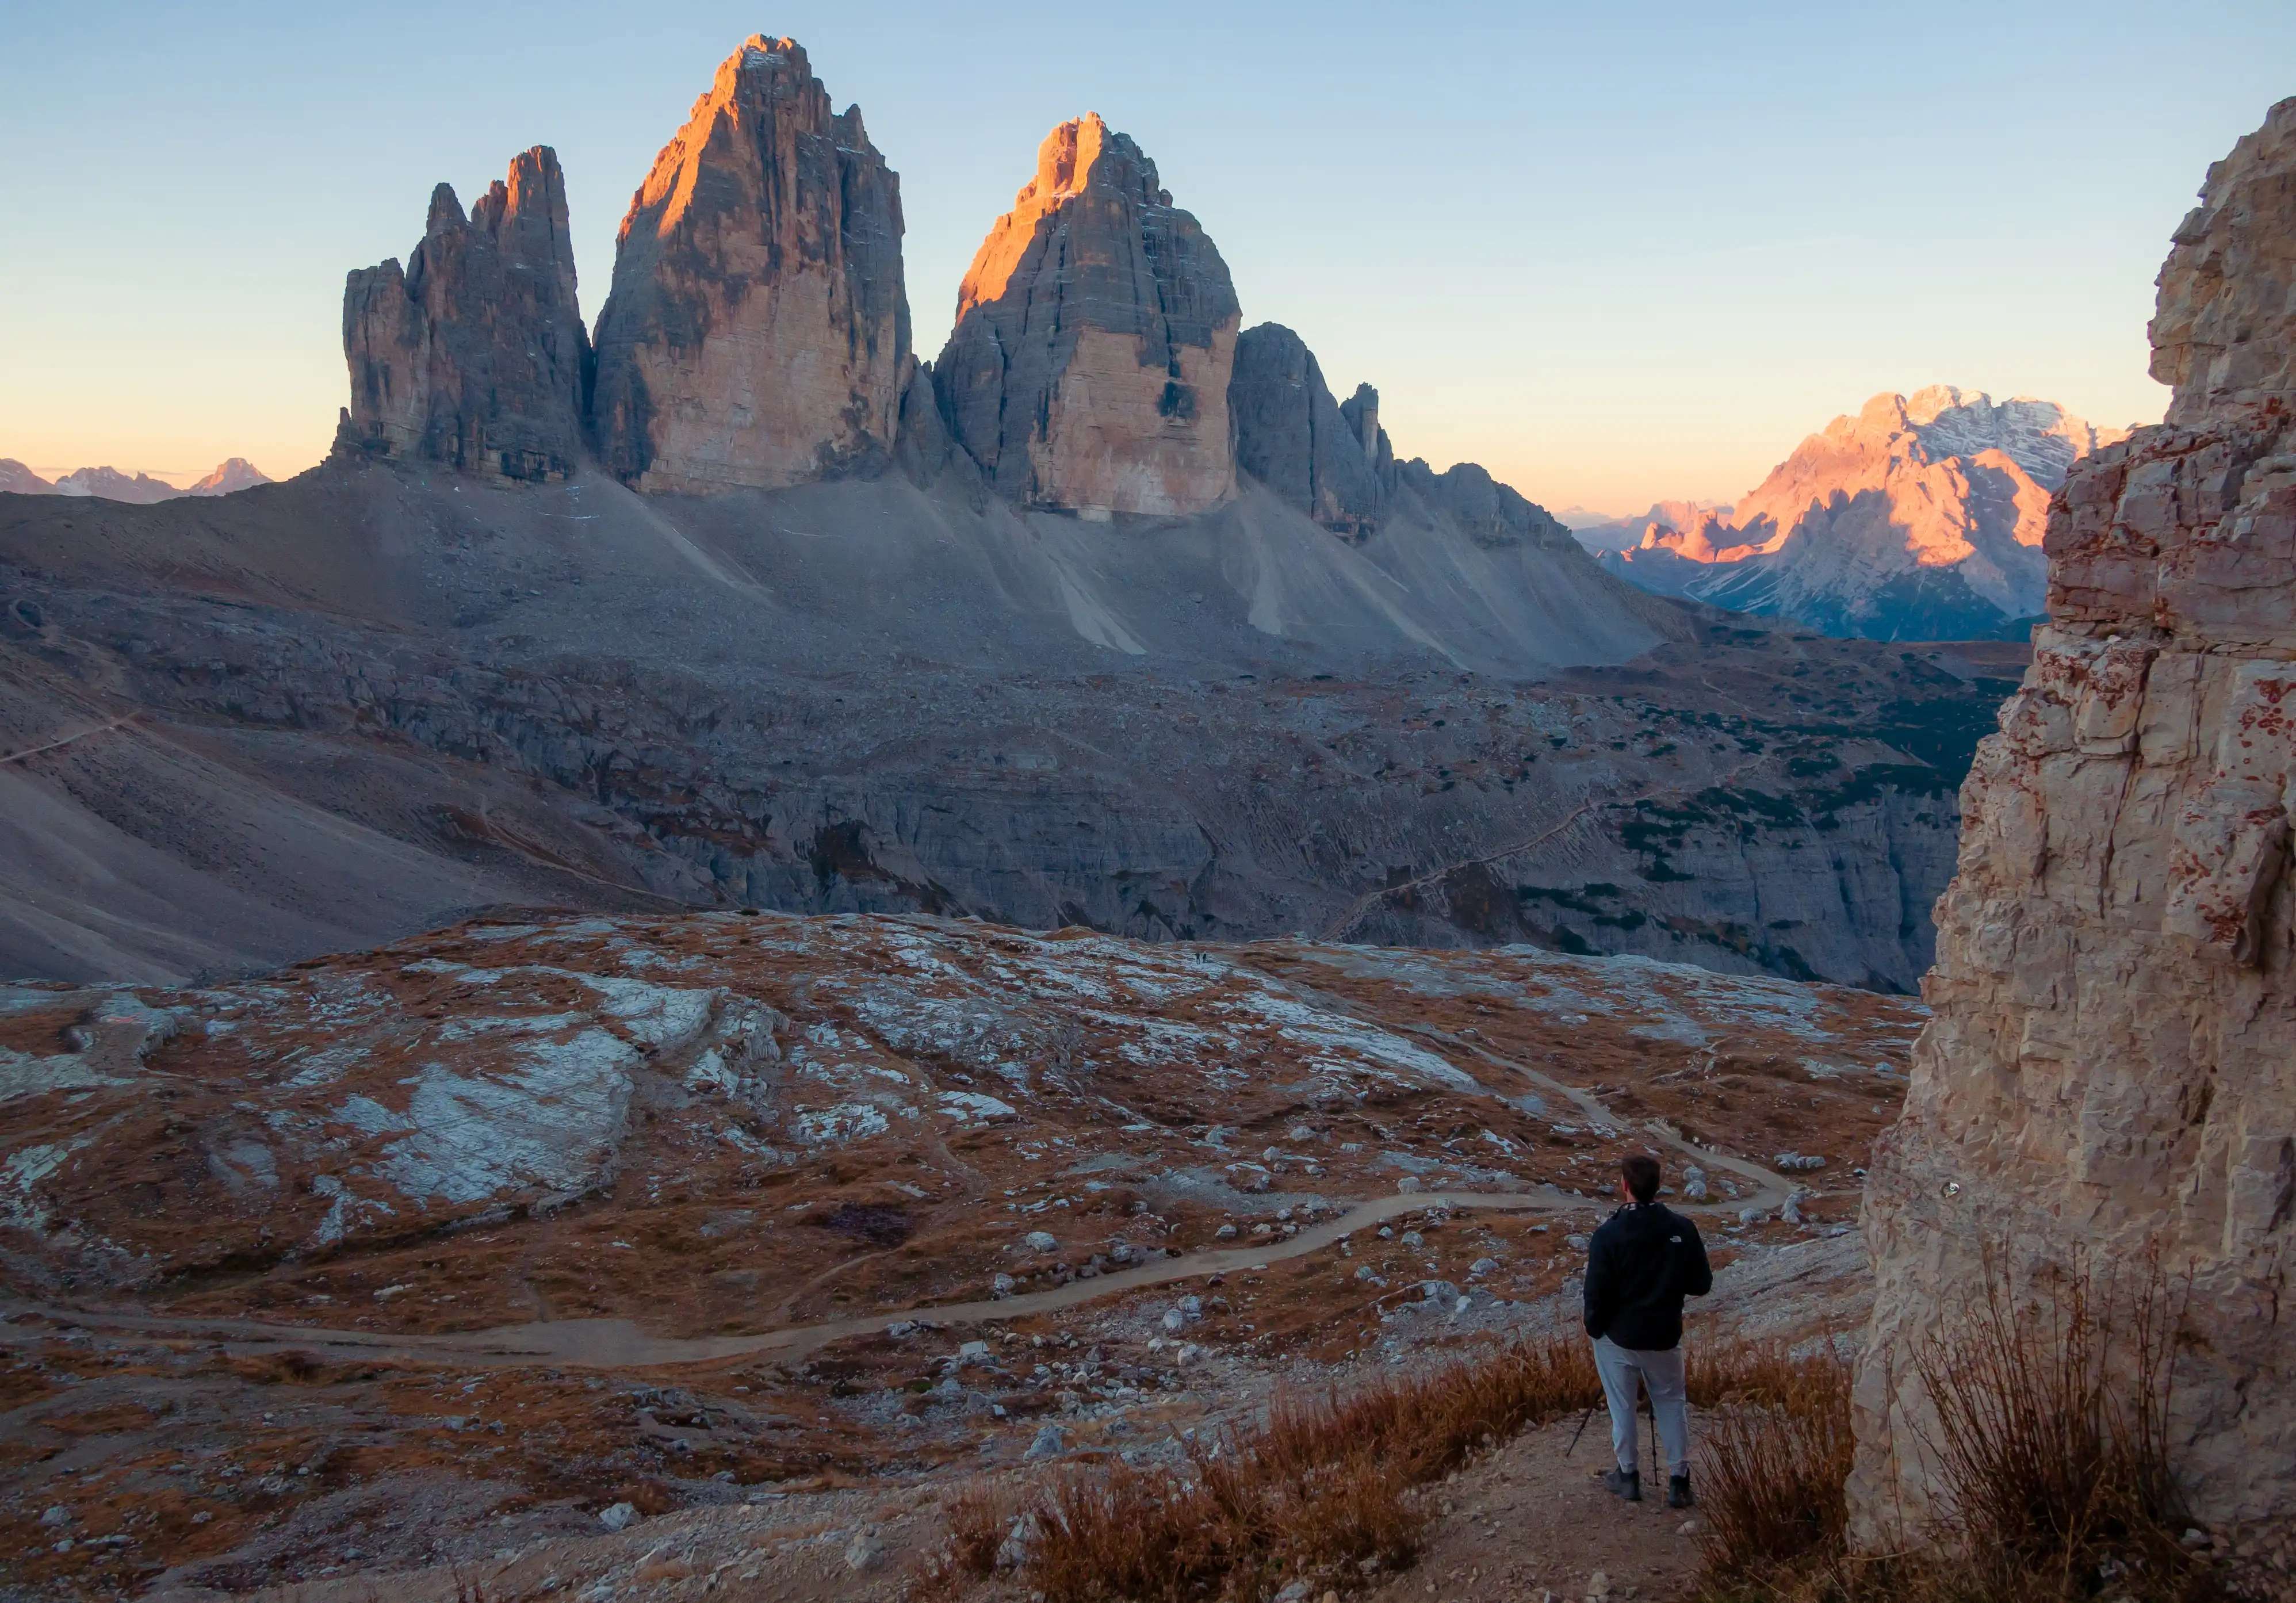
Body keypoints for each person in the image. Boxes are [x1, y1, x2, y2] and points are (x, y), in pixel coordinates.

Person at [1582, 1151, 1713, 1508]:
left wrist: (1596, 1329)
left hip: (1619, 1337)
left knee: (1622, 1406)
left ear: (1624, 1186)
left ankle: (1628, 1477)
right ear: (1658, 1187)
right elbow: (1702, 1283)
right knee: (1671, 1404)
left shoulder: (1608, 1235)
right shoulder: (1682, 1230)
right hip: (1664, 1334)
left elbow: (1595, 1293)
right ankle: (1679, 1481)